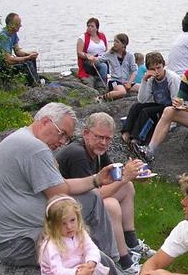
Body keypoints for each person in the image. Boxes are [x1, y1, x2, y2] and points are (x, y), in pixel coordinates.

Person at [0, 102, 154, 275]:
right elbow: (60, 194)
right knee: (94, 259)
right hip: (16, 241)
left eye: (67, 138)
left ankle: (114, 261)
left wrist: (96, 179)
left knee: (91, 200)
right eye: (62, 135)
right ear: (44, 122)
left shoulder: (23, 138)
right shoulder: (35, 149)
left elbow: (60, 186)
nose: (62, 142)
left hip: (6, 232)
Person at [56, 112, 154, 263]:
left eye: (108, 138)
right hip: (65, 210)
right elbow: (96, 196)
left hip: (81, 200)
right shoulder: (77, 154)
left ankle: (131, 242)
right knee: (111, 206)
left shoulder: (97, 150)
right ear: (86, 133)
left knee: (127, 187)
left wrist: (135, 174)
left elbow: (113, 177)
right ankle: (124, 261)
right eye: (99, 137)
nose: (103, 142)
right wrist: (125, 177)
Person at [121, 51, 181, 148]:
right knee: (136, 107)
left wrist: (171, 124)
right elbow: (142, 100)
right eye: (153, 69)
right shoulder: (150, 79)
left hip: (169, 108)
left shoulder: (172, 78)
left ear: (163, 65)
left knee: (146, 111)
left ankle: (137, 139)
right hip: (159, 105)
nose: (156, 72)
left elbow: (176, 101)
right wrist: (144, 80)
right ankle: (126, 134)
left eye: (158, 68)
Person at [0, 13, 40, 86]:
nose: (20, 26)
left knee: (31, 59)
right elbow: (8, 60)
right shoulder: (4, 37)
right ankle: (36, 85)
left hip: (5, 62)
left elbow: (17, 51)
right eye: (18, 24)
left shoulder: (13, 33)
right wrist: (26, 58)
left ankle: (35, 81)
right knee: (26, 64)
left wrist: (29, 54)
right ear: (11, 25)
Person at [103, 33, 138, 101]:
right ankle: (101, 97)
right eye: (114, 41)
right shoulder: (110, 54)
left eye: (117, 42)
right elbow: (98, 60)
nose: (114, 43)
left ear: (123, 44)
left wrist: (129, 83)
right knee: (122, 92)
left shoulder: (130, 56)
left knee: (143, 88)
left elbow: (134, 70)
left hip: (126, 82)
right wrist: (91, 58)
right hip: (114, 81)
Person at [76, 17, 108, 90]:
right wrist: (87, 56)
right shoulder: (82, 38)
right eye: (88, 26)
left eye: (92, 26)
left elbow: (106, 50)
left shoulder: (102, 36)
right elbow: (79, 52)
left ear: (97, 28)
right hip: (89, 61)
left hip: (101, 58)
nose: (89, 28)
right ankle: (101, 86)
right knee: (103, 66)